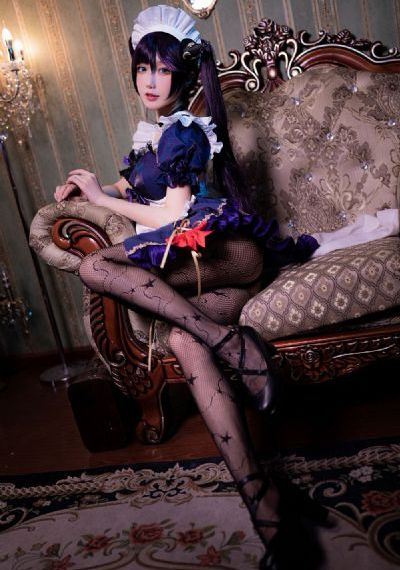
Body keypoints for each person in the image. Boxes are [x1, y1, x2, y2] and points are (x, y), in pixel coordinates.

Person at [54, 5, 322, 568]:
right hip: (204, 276)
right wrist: (89, 187)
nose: (150, 80)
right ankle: (264, 501)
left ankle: (231, 345)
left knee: (96, 267)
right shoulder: (152, 136)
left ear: (182, 74)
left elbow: (171, 215)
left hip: (224, 254)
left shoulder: (184, 133)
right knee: (183, 339)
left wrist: (103, 201)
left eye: (163, 69)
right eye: (143, 67)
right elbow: (137, 185)